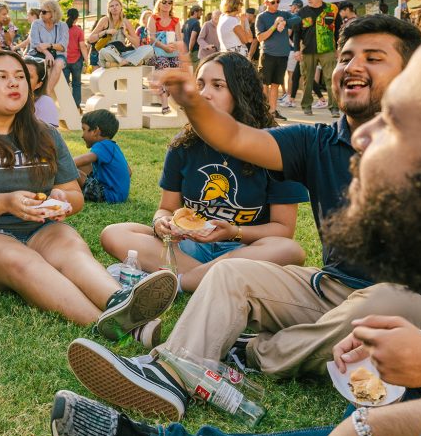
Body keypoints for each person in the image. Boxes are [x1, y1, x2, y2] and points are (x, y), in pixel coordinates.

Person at [51, 42, 421, 436]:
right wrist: (190, 98)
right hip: (326, 287)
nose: (351, 65)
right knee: (232, 274)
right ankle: (170, 372)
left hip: (393, 305)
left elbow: (285, 233)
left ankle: (245, 352)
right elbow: (233, 137)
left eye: (374, 57)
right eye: (346, 55)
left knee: (385, 298)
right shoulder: (315, 140)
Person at [0, 50, 177, 345]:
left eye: (20, 77)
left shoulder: (45, 134)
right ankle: (108, 326)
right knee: (18, 259)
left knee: (72, 249)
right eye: (2, 77)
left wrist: (63, 199)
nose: (14, 83)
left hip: (39, 228)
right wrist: (3, 203)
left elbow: (73, 193)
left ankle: (118, 298)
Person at [100, 51, 308, 292]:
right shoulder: (183, 145)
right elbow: (166, 207)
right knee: (114, 233)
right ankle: (210, 279)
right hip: (188, 246)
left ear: (241, 91)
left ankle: (179, 281)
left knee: (289, 250)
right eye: (200, 84)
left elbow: (283, 229)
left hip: (242, 249)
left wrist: (234, 232)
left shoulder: (276, 147)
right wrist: (161, 223)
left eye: (218, 85)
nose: (204, 93)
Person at [298, 0, 340, 117]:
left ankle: (334, 107)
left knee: (330, 78)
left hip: (327, 49)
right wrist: (296, 50)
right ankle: (306, 106)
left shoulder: (331, 10)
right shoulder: (302, 12)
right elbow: (297, 32)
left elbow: (338, 29)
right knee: (307, 79)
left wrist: (338, 47)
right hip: (308, 49)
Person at [75, 109, 130, 204]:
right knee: (81, 166)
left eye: (84, 129)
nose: (82, 135)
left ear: (96, 131)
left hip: (107, 195)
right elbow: (129, 172)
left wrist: (60, 163)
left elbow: (83, 160)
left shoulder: (102, 146)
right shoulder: (113, 146)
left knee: (70, 169)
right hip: (118, 195)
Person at [254, 0, 292, 121]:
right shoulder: (261, 17)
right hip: (268, 54)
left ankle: (273, 111)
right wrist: (275, 25)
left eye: (278, 1)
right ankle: (264, 111)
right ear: (266, 3)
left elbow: (297, 19)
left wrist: (286, 22)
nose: (276, 4)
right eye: (273, 2)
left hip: (283, 55)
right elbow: (260, 38)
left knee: (276, 84)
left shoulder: (284, 14)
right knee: (265, 84)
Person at [89, 0, 153, 68]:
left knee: (149, 49)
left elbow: (137, 43)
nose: (114, 7)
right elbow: (90, 39)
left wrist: (126, 34)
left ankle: (122, 62)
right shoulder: (104, 20)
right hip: (110, 53)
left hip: (123, 53)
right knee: (103, 51)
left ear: (121, 7)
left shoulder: (125, 22)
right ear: (109, 9)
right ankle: (126, 62)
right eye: (111, 6)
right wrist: (105, 32)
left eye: (117, 5)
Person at [27, 0, 69, 98]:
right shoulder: (36, 24)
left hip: (58, 54)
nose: (41, 13)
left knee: (58, 64)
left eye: (44, 12)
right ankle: (30, 93)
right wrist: (47, 53)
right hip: (38, 53)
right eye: (40, 11)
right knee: (35, 67)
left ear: (53, 13)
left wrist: (48, 45)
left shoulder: (62, 25)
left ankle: (46, 93)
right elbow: (35, 43)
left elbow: (63, 46)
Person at [149, 0, 182, 114]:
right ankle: (164, 103)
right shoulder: (153, 18)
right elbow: (151, 38)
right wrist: (164, 47)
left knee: (176, 73)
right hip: (158, 52)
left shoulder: (175, 20)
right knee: (164, 68)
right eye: (164, 2)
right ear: (159, 4)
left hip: (173, 52)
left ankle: (178, 100)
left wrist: (176, 46)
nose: (167, 4)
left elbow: (179, 38)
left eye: (170, 2)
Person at [25, 56, 60, 128]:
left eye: (29, 76)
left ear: (39, 84)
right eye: (20, 75)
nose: (23, 79)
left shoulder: (44, 102)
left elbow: (49, 136)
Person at [62, 8, 86, 107]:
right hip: (76, 60)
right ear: (77, 18)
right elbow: (82, 46)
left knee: (65, 84)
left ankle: (66, 106)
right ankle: (76, 105)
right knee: (77, 84)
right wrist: (86, 60)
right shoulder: (79, 30)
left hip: (63, 60)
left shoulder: (61, 29)